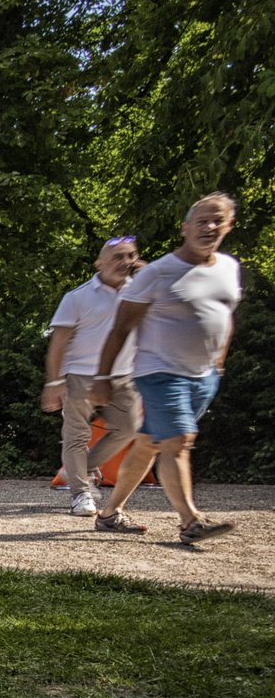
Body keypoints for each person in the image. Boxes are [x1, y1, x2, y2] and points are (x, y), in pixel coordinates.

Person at [92, 193, 241, 544]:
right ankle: (191, 521)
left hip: (204, 376)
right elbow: (121, 328)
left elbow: (225, 316)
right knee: (177, 441)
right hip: (159, 371)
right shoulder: (157, 273)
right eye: (202, 220)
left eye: (218, 220)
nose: (210, 227)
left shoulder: (228, 268)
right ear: (185, 228)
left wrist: (219, 361)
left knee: (148, 444)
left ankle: (109, 514)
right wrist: (102, 378)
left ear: (229, 226)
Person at [41, 236, 145, 516]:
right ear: (100, 263)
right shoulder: (77, 297)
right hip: (81, 376)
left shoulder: (141, 291)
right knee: (76, 436)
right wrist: (54, 382)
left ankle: (76, 469)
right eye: (118, 257)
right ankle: (81, 495)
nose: (125, 262)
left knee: (129, 429)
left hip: (123, 376)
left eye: (131, 256)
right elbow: (58, 342)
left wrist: (148, 272)